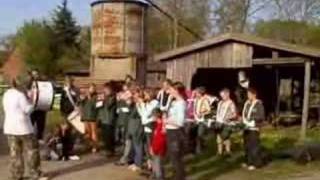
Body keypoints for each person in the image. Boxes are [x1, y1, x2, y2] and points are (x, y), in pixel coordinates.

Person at [3, 78, 47, 180]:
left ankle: (16, 175)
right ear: (19, 85)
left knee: (15, 152)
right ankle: (35, 174)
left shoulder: (6, 94)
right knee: (32, 150)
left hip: (10, 127)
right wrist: (32, 103)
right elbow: (27, 110)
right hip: (23, 128)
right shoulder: (20, 95)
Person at [165, 82, 187, 180]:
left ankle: (180, 177)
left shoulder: (181, 103)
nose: (170, 91)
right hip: (170, 131)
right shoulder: (174, 102)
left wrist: (167, 120)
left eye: (172, 89)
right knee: (172, 157)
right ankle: (177, 175)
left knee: (176, 157)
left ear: (177, 91)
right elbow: (167, 111)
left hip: (175, 133)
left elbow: (180, 122)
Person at [242, 88, 265, 170]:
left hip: (254, 128)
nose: (248, 96)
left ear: (254, 95)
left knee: (254, 146)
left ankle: (256, 163)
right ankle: (248, 162)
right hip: (246, 127)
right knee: (247, 146)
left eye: (250, 94)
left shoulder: (258, 104)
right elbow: (244, 114)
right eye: (247, 94)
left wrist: (253, 119)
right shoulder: (247, 104)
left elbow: (261, 116)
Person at [137, 88, 159, 170]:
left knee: (151, 147)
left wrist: (142, 103)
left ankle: (154, 166)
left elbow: (147, 114)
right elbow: (142, 114)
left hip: (151, 126)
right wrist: (138, 105)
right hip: (145, 125)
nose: (144, 96)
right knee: (146, 147)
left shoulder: (155, 103)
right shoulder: (147, 103)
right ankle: (149, 164)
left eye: (146, 94)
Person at [97, 82, 117, 157]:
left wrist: (104, 99)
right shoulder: (103, 97)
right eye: (104, 89)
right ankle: (107, 149)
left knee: (109, 136)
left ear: (110, 90)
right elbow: (98, 106)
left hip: (109, 119)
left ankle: (111, 150)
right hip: (103, 118)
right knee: (105, 136)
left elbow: (109, 105)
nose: (104, 91)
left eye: (106, 89)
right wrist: (99, 101)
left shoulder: (112, 97)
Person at [215, 88, 237, 156]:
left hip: (227, 123)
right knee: (219, 137)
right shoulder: (220, 103)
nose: (222, 97)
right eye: (221, 95)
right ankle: (219, 152)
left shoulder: (231, 103)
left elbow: (235, 114)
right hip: (219, 122)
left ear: (227, 94)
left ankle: (228, 151)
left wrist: (229, 118)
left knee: (225, 137)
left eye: (223, 95)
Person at [28, 69, 48, 141]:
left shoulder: (43, 83)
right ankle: (30, 141)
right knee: (30, 126)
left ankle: (40, 140)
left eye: (36, 74)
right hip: (32, 109)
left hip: (41, 108)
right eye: (33, 75)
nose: (35, 76)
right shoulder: (29, 84)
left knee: (41, 126)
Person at [80, 83, 98, 153]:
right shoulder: (85, 96)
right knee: (87, 132)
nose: (92, 89)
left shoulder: (96, 96)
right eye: (91, 88)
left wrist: (90, 97)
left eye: (93, 88)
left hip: (93, 116)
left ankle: (94, 146)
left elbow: (95, 105)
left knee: (94, 132)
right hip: (85, 116)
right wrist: (83, 98)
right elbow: (80, 103)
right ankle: (88, 145)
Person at [193, 87, 211, 154]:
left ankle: (199, 150)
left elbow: (208, 110)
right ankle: (199, 148)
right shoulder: (196, 100)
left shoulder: (204, 100)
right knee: (195, 135)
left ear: (200, 93)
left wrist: (202, 113)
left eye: (197, 93)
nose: (196, 94)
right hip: (196, 120)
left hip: (202, 120)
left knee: (199, 135)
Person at [150, 108, 166, 180]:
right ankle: (155, 176)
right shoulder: (156, 124)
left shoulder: (163, 125)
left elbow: (161, 140)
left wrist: (155, 149)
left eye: (153, 116)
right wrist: (151, 147)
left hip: (159, 149)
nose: (152, 117)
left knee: (159, 166)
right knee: (156, 165)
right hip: (155, 148)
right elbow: (154, 138)